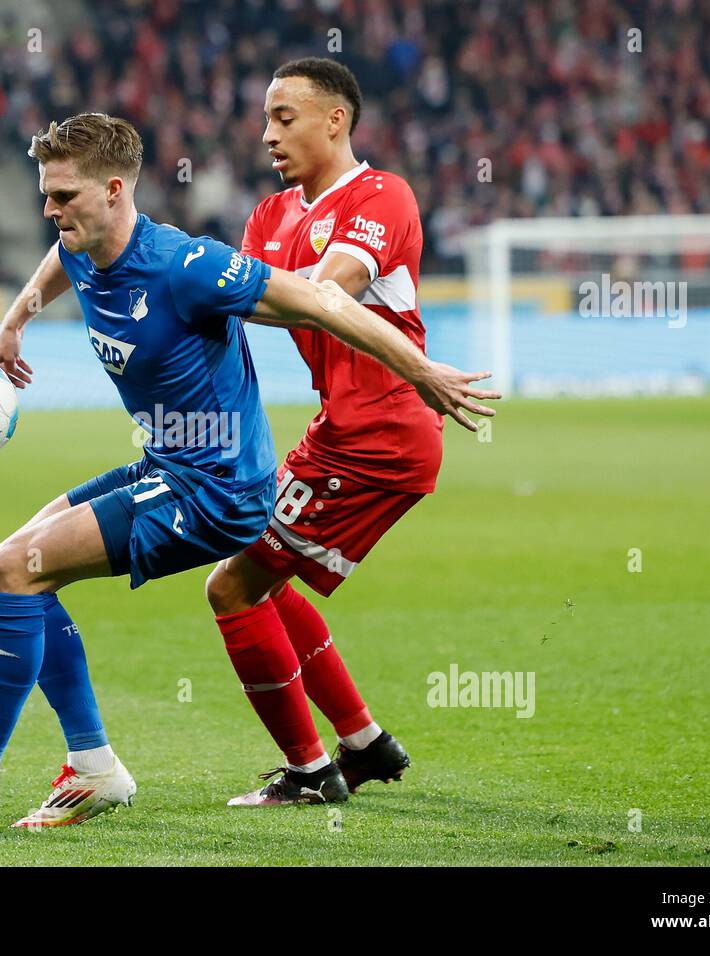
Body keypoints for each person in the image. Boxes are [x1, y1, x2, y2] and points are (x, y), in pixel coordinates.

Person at [0, 111, 498, 827]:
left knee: (20, 570)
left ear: (113, 190)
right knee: (3, 568)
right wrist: (16, 322)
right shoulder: (82, 241)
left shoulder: (185, 267)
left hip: (219, 491)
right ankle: (94, 769)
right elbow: (59, 261)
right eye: (46, 195)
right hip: (169, 463)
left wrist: (420, 371)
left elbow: (320, 300)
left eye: (64, 196)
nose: (50, 210)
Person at [206, 58, 470, 806]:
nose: (267, 135)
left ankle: (314, 772)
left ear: (336, 120)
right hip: (341, 430)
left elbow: (326, 291)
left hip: (381, 434)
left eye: (284, 118)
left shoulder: (383, 196)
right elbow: (233, 308)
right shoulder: (270, 215)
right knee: (251, 570)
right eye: (264, 120)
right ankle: (364, 744)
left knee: (232, 587)